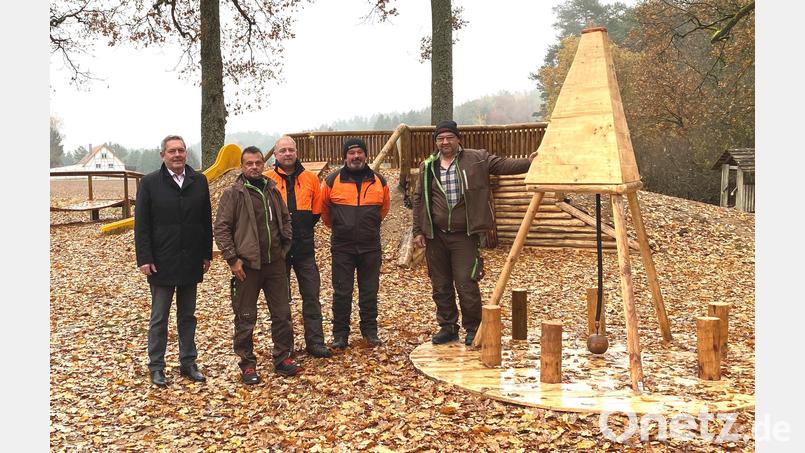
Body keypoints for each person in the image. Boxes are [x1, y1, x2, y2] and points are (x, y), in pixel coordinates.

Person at [412, 120, 537, 346]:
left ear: (458, 139)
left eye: (449, 137)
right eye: (440, 138)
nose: (445, 142)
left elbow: (503, 165)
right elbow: (419, 198)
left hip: (464, 235)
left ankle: (473, 328)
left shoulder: (477, 159)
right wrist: (418, 230)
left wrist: (529, 162)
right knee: (440, 284)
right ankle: (448, 327)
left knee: (466, 282)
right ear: (436, 142)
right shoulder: (428, 166)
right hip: (435, 235)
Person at [213, 146, 301, 384]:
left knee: (282, 314)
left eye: (258, 163)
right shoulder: (234, 194)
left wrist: (284, 247)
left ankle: (283, 358)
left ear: (264, 164)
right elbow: (221, 228)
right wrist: (232, 259)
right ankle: (247, 364)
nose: (254, 167)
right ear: (242, 166)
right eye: (249, 163)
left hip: (275, 264)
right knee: (245, 316)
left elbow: (285, 219)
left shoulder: (272, 189)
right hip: (247, 266)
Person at [135, 134, 212, 387]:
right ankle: (156, 366)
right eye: (172, 151)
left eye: (181, 150)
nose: (177, 155)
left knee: (187, 315)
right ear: (163, 155)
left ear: (186, 153)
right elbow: (142, 225)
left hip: (191, 259)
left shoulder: (199, 181)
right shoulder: (149, 183)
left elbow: (206, 220)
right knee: (159, 317)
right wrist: (144, 258)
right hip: (161, 260)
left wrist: (206, 254)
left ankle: (188, 362)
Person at [263, 136, 331, 359]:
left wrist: (300, 231)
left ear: (296, 152)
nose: (287, 154)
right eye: (282, 150)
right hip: (278, 251)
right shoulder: (267, 180)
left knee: (311, 296)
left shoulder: (310, 179)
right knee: (281, 302)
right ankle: (285, 346)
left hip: (304, 249)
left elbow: (316, 212)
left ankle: (316, 342)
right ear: (275, 154)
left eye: (290, 150)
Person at [320, 138, 390, 349]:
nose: (356, 156)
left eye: (360, 152)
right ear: (345, 157)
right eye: (351, 153)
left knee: (369, 291)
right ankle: (340, 334)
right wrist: (340, 227)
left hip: (370, 246)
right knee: (342, 292)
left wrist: (369, 226)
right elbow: (325, 211)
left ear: (366, 155)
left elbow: (383, 209)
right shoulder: (332, 181)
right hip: (343, 247)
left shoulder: (379, 181)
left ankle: (370, 331)